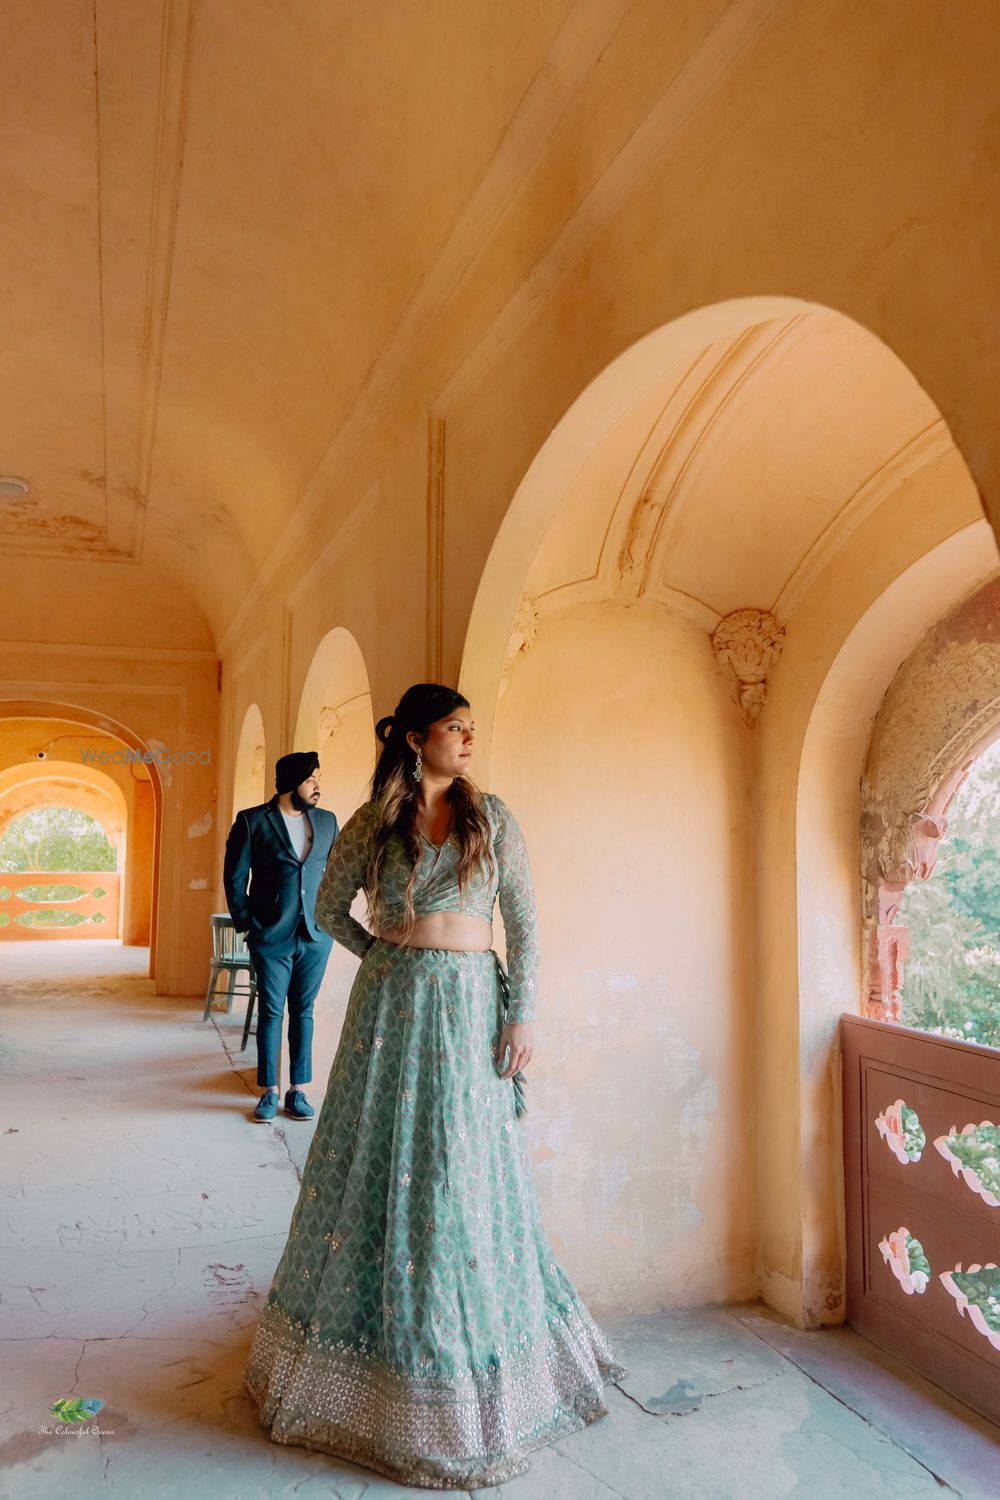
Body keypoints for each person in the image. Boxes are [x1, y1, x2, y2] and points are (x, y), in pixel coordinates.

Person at [242, 684, 627, 1489]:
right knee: (382, 1163)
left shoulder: (496, 818)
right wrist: (383, 949)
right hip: (395, 1003)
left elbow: (522, 919)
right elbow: (325, 902)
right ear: (417, 739)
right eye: (457, 729)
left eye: (473, 728)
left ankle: (468, 1374)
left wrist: (521, 1013)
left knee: (459, 1170)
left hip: (471, 1004)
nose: (469, 739)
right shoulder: (378, 819)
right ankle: (371, 1377)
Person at [223, 750, 339, 1122]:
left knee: (304, 1011)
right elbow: (235, 877)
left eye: (319, 778)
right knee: (272, 1012)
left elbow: (337, 873)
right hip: (271, 935)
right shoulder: (252, 821)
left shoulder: (326, 821)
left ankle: (298, 1090)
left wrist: (334, 919)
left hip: (316, 935)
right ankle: (269, 1092)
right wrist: (248, 924)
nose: (318, 786)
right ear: (292, 782)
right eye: (311, 779)